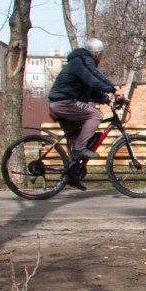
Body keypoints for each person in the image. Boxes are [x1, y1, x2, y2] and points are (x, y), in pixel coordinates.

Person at [47, 38, 116, 190]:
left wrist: (106, 99)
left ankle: (71, 176)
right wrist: (113, 89)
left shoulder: (79, 62)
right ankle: (80, 149)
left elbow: (90, 89)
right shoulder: (83, 60)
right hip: (65, 102)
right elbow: (94, 78)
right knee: (95, 115)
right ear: (97, 53)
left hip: (61, 103)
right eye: (101, 54)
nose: (101, 57)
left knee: (75, 138)